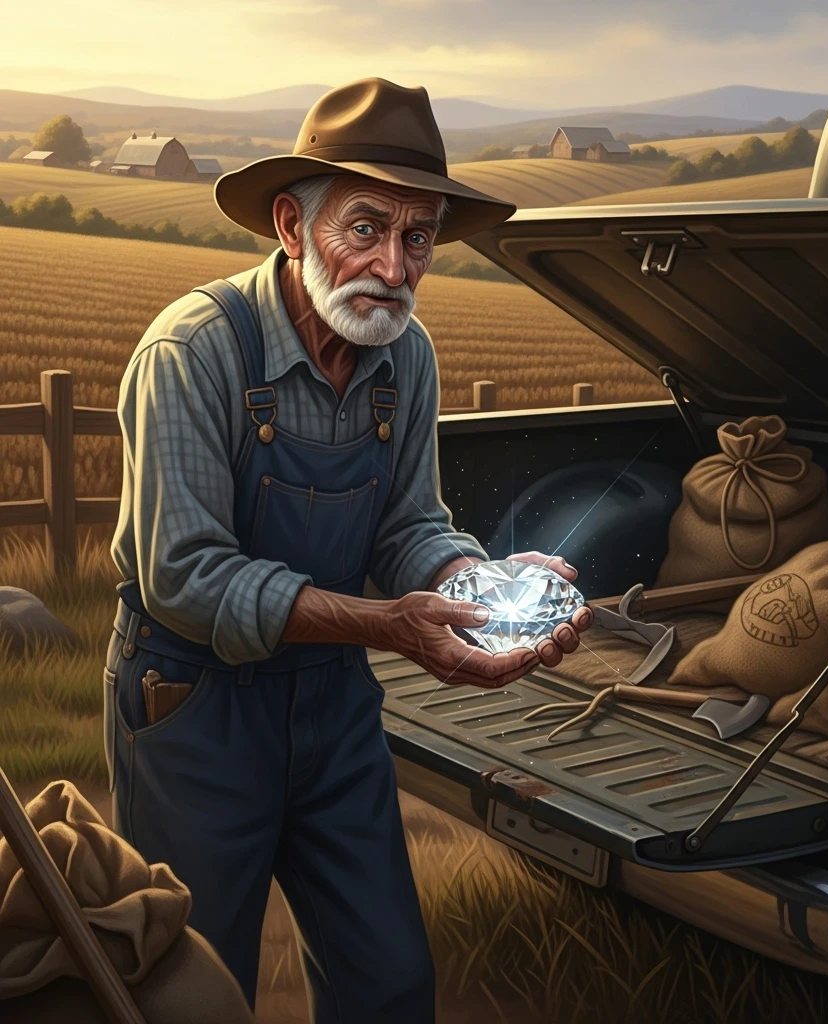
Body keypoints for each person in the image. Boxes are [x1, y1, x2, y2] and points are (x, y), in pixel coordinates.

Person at [102, 78, 592, 1024]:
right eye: (366, 228)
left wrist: (477, 579)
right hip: (194, 711)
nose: (395, 266)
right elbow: (184, 575)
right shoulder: (194, 352)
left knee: (391, 984)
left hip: (332, 709)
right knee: (193, 995)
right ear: (291, 225)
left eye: (419, 239)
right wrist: (389, 626)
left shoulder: (404, 358)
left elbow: (410, 524)